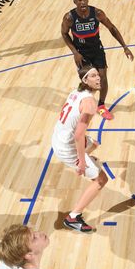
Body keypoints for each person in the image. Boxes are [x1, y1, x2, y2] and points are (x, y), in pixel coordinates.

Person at [61, 0, 134, 120]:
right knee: (86, 81)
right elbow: (64, 34)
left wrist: (125, 47)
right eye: (79, 0)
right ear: (74, 2)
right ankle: (82, 102)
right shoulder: (69, 17)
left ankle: (101, 105)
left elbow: (112, 28)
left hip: (96, 49)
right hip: (81, 53)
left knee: (102, 78)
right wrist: (74, 52)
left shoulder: (97, 13)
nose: (83, 2)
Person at [52, 65, 109, 233]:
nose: (98, 78)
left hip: (58, 136)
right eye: (93, 76)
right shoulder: (90, 103)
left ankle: (87, 158)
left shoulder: (75, 92)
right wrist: (82, 162)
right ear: (86, 80)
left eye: (97, 75)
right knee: (101, 180)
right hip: (66, 146)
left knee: (93, 144)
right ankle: (73, 217)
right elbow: (78, 135)